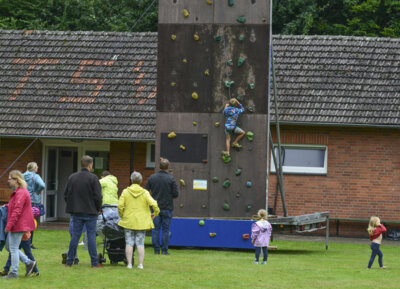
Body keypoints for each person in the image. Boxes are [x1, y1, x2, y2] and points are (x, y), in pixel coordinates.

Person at [64, 155, 103, 268]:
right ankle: (94, 263)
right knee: (91, 236)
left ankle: (69, 262)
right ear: (90, 165)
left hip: (76, 212)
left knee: (75, 237)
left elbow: (66, 195)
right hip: (91, 212)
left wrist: (72, 206)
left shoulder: (72, 177)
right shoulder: (93, 178)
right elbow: (97, 196)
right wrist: (98, 208)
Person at [118, 171, 159, 269]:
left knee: (129, 242)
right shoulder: (145, 193)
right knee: (140, 243)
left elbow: (119, 205)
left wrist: (122, 214)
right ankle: (140, 264)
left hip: (129, 221)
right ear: (141, 181)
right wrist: (154, 214)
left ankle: (129, 264)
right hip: (142, 222)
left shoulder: (125, 192)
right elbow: (155, 205)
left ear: (131, 180)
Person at [3, 170, 37, 279]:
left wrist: (8, 226)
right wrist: (6, 206)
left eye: (10, 179)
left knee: (13, 248)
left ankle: (14, 273)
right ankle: (28, 263)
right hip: (17, 224)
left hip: (19, 224)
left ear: (16, 180)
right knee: (9, 247)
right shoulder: (18, 192)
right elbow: (15, 207)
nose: (8, 181)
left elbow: (17, 211)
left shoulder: (21, 192)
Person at [145, 158, 179, 255]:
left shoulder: (152, 178)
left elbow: (146, 191)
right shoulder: (171, 179)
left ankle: (156, 250)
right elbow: (176, 194)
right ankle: (164, 250)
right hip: (167, 208)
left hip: (155, 208)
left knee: (155, 229)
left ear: (159, 166)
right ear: (168, 167)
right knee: (165, 230)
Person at [23, 162, 45, 249]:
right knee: (31, 222)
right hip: (32, 201)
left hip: (23, 199)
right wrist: (38, 191)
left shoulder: (22, 175)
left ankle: (22, 241)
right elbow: (42, 185)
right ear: (35, 168)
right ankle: (29, 243)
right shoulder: (35, 176)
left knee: (23, 221)